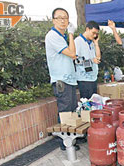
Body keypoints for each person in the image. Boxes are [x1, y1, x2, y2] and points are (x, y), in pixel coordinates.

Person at [45, 7, 79, 150]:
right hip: (61, 81)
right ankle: (65, 143)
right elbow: (72, 53)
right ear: (53, 20)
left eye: (65, 17)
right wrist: (71, 34)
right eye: (59, 18)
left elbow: (73, 54)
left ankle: (71, 139)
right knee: (65, 111)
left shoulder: (61, 37)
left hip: (69, 79)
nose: (63, 20)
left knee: (71, 110)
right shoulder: (52, 36)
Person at [75, 21, 101, 99]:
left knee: (94, 102)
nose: (95, 35)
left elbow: (98, 57)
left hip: (93, 77)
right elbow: (75, 60)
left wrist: (96, 43)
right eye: (93, 33)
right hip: (84, 79)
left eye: (96, 34)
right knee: (86, 104)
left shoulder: (92, 42)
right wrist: (91, 61)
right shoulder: (78, 41)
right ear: (87, 29)